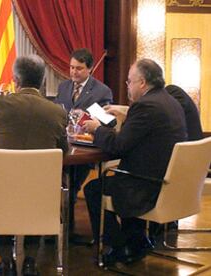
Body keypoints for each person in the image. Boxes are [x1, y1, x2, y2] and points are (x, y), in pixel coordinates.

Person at [0, 55, 68, 276]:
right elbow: (64, 151)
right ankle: (30, 261)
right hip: (41, 195)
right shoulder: (57, 112)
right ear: (42, 81)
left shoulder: (1, 104)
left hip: (0, 194)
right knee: (36, 199)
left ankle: (6, 260)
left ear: (15, 79)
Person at [82, 59, 186, 265]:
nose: (127, 86)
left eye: (129, 81)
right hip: (166, 181)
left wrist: (96, 129)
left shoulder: (145, 106)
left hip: (146, 185)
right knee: (119, 177)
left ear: (143, 83)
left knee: (94, 189)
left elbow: (119, 145)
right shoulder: (169, 100)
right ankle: (137, 240)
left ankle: (121, 246)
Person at [55, 48, 113, 242]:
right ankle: (56, 226)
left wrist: (87, 116)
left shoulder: (102, 91)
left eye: (78, 69)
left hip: (86, 146)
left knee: (72, 182)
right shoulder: (63, 87)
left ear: (89, 69)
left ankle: (69, 229)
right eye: (71, 68)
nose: (73, 72)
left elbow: (107, 120)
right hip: (63, 143)